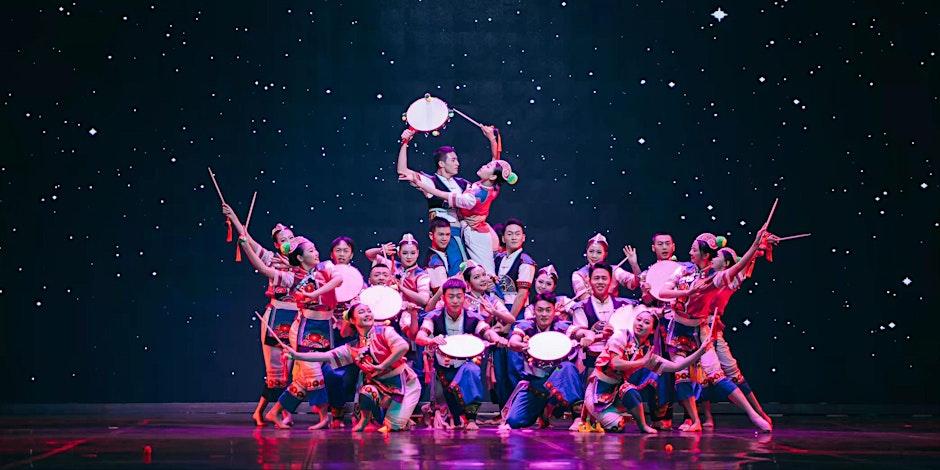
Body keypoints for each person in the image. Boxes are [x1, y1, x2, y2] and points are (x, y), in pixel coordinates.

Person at [655, 229, 773, 432]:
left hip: (699, 331)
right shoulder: (683, 271)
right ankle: (695, 421)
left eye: (694, 250)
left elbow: (736, 269)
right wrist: (687, 291)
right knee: (681, 375)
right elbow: (663, 291)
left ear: (705, 254)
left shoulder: (714, 278)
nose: (690, 253)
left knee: (716, 375)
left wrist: (754, 247)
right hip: (678, 330)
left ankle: (753, 415)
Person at [236, 235, 342, 428]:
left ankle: (275, 412)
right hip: (303, 329)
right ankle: (324, 417)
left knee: (302, 379)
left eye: (315, 248)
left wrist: (315, 294)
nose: (316, 252)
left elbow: (338, 279)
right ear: (300, 257)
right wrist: (246, 247)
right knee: (313, 372)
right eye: (310, 251)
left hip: (325, 329)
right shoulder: (291, 277)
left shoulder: (326, 266)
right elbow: (263, 268)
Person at [286, 303, 420, 432]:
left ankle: (401, 419)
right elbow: (325, 356)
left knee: (393, 426)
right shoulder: (354, 348)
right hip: (382, 388)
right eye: (362, 312)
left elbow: (403, 347)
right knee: (367, 392)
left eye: (369, 311)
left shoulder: (385, 331)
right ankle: (365, 419)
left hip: (405, 385)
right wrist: (297, 355)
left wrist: (382, 366)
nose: (367, 314)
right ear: (352, 320)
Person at [222, 204, 296, 426]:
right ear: (276, 244)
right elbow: (247, 239)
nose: (289, 242)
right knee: (275, 371)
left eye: (292, 237)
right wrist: (234, 218)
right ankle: (261, 411)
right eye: (284, 239)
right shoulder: (271, 259)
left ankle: (283, 411)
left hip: (298, 319)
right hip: (277, 315)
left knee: (292, 369)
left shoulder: (303, 261)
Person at [584, 310, 711, 433]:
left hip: (617, 392)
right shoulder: (622, 335)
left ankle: (643, 425)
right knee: (617, 426)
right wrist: (642, 362)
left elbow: (676, 366)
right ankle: (593, 413)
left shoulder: (647, 352)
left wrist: (701, 351)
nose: (640, 324)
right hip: (598, 392)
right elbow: (615, 363)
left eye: (646, 322)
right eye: (638, 320)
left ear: (652, 330)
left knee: (630, 388)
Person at [397, 125, 500, 273]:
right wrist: (405, 142)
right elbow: (402, 170)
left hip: (465, 232)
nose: (457, 163)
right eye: (453, 160)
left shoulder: (463, 184)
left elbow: (495, 172)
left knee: (477, 269)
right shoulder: (430, 181)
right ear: (441, 164)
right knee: (458, 268)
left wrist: (492, 140)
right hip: (445, 233)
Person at [415, 279, 506, 430]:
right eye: (451, 296)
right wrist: (430, 341)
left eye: (459, 296)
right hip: (443, 369)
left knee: (472, 370)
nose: (455, 300)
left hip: (465, 366)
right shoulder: (433, 317)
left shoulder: (473, 317)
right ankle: (446, 413)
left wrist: (497, 339)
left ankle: (471, 419)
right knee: (450, 418)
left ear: (465, 297)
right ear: (443, 298)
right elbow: (420, 336)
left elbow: (487, 332)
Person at [407, 159, 517, 275]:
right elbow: (496, 164)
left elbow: (439, 193)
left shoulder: (472, 198)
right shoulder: (493, 186)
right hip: (477, 228)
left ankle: (494, 291)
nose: (484, 165)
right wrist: (492, 143)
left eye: (488, 167)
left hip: (475, 234)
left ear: (493, 176)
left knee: (485, 272)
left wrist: (420, 184)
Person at [500, 293, 592, 430]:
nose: (544, 314)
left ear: (554, 310)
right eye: (540, 310)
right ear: (533, 311)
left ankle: (577, 417)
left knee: (567, 367)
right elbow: (514, 341)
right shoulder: (526, 326)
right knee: (514, 421)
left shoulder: (562, 327)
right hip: (535, 386)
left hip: (558, 380)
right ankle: (541, 411)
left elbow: (585, 333)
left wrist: (588, 337)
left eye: (548, 310)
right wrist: (518, 345)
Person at [571, 234, 641, 301]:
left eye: (599, 252)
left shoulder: (615, 271)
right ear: (586, 252)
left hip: (614, 311)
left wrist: (634, 264)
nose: (594, 256)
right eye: (591, 251)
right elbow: (585, 300)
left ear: (605, 254)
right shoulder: (579, 275)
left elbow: (635, 283)